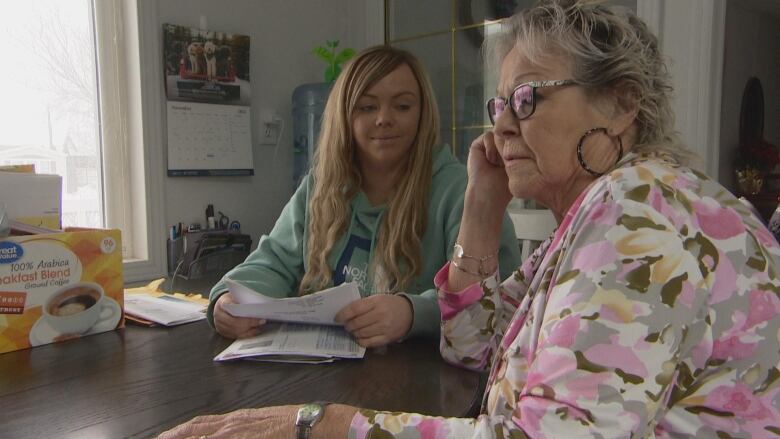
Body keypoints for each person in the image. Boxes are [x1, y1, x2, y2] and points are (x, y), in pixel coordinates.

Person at [160, 2, 780, 437]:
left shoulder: (641, 212)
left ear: (621, 105)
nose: (503, 122)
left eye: (529, 97)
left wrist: (317, 424)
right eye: (500, 101)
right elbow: (472, 347)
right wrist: (483, 209)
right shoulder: (601, 214)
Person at [208, 45, 522, 348]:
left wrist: (414, 314)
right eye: (367, 107)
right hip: (326, 375)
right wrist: (227, 300)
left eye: (402, 106)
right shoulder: (321, 186)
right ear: (345, 116)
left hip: (427, 379)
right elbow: (273, 260)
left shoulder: (461, 189)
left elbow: (502, 298)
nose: (384, 118)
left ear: (423, 114)